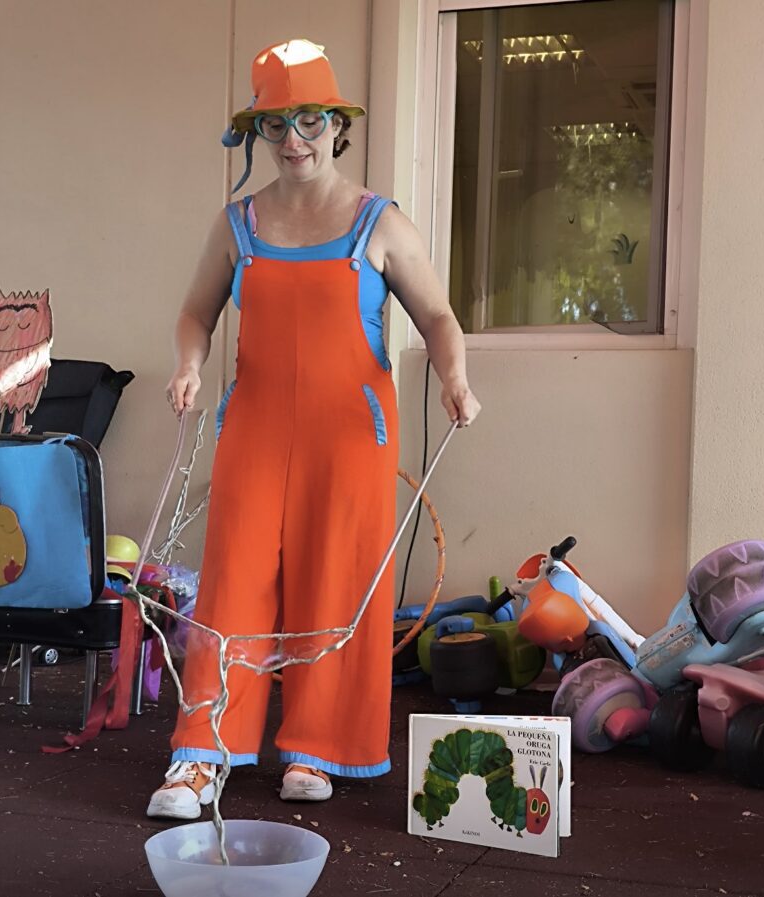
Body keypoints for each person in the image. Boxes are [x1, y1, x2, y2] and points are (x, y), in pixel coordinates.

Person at [148, 38, 480, 820]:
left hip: (351, 431)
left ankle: (317, 746)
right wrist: (188, 364)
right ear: (256, 134)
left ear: (336, 124)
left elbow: (435, 315)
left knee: (338, 578)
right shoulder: (239, 222)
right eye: (274, 125)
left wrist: (456, 377)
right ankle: (201, 757)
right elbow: (198, 310)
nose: (293, 139)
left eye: (308, 120)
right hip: (256, 425)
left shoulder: (380, 221)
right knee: (233, 580)